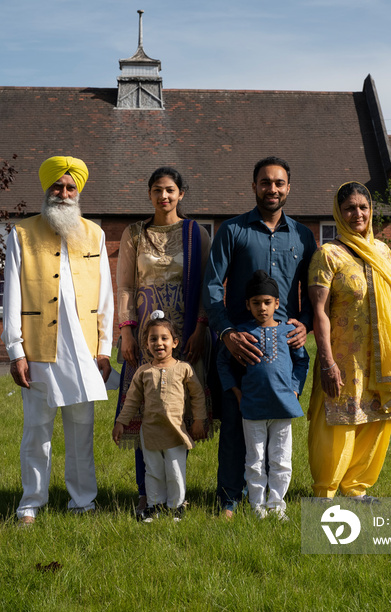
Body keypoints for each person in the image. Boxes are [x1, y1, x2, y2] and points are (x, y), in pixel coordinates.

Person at [1, 156, 114, 526]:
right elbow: (12, 295)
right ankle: (30, 503)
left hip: (82, 350)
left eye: (70, 188)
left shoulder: (94, 234)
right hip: (39, 348)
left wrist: (104, 348)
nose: (63, 193)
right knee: (37, 430)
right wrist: (15, 350)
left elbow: (105, 298)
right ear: (46, 188)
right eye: (57, 187)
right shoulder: (21, 234)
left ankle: (83, 501)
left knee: (81, 429)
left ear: (78, 191)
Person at [203, 156, 317, 516]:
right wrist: (226, 333)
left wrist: (305, 324)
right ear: (253, 186)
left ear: (288, 188)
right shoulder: (233, 231)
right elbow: (210, 286)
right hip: (240, 343)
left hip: (282, 346)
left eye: (279, 183)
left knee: (279, 433)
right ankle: (230, 499)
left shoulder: (302, 236)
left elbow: (313, 292)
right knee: (237, 425)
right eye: (265, 182)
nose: (272, 189)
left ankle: (274, 500)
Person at [307, 181, 391, 502]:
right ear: (338, 212)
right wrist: (327, 361)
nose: (357, 213)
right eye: (349, 208)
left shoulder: (384, 251)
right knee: (338, 422)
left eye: (363, 207)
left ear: (370, 211)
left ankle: (356, 488)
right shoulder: (328, 255)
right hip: (343, 358)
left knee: (377, 420)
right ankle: (325, 492)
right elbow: (320, 313)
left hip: (383, 356)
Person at [116, 167, 212, 515]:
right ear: (149, 194)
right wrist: (126, 330)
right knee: (146, 408)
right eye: (157, 190)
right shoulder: (134, 234)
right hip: (144, 335)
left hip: (183, 336)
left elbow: (205, 285)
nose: (164, 196)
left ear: (181, 194)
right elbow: (126, 285)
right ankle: (146, 492)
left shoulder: (195, 233)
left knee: (176, 408)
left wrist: (200, 328)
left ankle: (177, 492)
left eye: (170, 190)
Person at [217, 270, 309, 520]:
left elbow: (302, 362)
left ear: (277, 303)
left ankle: (277, 505)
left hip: (283, 406)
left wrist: (295, 388)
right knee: (255, 459)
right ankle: (257, 505)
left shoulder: (287, 332)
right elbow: (223, 362)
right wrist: (236, 392)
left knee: (281, 459)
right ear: (247, 304)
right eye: (256, 303)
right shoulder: (243, 334)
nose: (262, 308)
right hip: (252, 407)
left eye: (267, 302)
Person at [112, 311, 207, 521]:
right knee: (153, 470)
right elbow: (132, 401)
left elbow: (197, 395)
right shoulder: (143, 372)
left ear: (174, 342)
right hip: (150, 431)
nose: (159, 343)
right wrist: (121, 422)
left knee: (175, 470)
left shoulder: (184, 369)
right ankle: (154, 505)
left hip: (175, 430)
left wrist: (200, 419)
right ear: (146, 344)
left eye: (164, 338)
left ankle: (176, 506)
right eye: (153, 339)